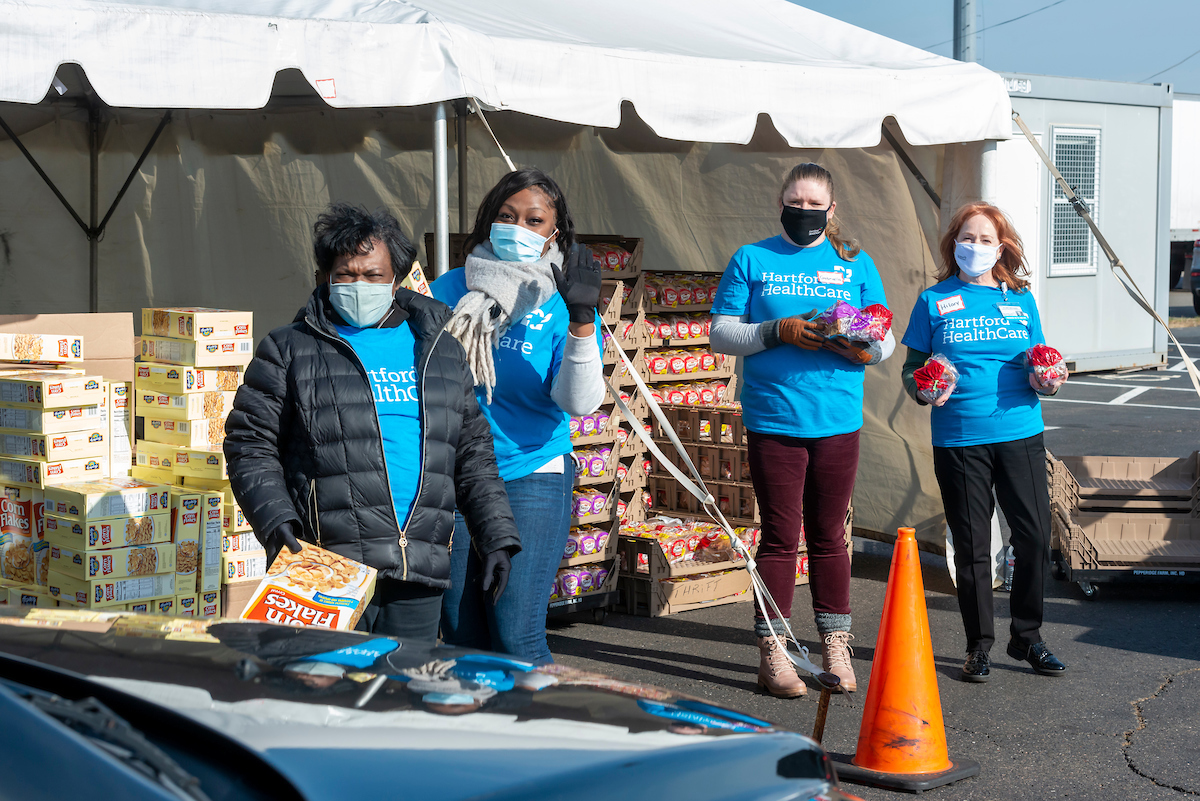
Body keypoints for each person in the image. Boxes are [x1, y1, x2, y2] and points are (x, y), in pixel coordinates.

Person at [225, 203, 520, 644]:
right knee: (325, 693)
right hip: (325, 565)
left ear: (396, 277)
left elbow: (473, 454)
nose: (359, 285)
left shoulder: (441, 350)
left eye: (373, 275)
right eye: (346, 274)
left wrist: (495, 535)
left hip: (417, 565)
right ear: (326, 277)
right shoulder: (290, 348)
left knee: (400, 698)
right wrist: (276, 521)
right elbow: (250, 443)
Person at [710, 163, 895, 698]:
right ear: (781, 202)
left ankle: (836, 645)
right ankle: (775, 653)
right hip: (775, 418)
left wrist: (861, 346)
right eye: (797, 202)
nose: (806, 212)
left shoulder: (854, 262)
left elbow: (883, 339)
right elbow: (721, 334)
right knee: (780, 536)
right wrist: (775, 331)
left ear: (832, 210)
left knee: (830, 535)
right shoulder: (752, 257)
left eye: (816, 206)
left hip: (838, 418)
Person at [432, 167, 605, 665]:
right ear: (489, 220)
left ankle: (540, 739)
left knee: (516, 636)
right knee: (463, 635)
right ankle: (481, 738)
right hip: (457, 474)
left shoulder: (561, 300)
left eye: (534, 220)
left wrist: (580, 322)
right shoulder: (448, 290)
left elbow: (580, 402)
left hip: (530, 471)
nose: (518, 227)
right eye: (507, 216)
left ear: (555, 232)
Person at [900, 201, 1068, 682]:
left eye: (985, 239)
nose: (975, 246)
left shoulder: (1021, 300)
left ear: (1002, 248)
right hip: (958, 438)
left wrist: (1048, 376)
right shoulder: (934, 301)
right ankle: (979, 646)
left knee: (1034, 536)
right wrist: (923, 386)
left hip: (1021, 432)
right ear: (954, 244)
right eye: (967, 238)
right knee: (973, 546)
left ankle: (1027, 637)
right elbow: (913, 371)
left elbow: (1041, 359)